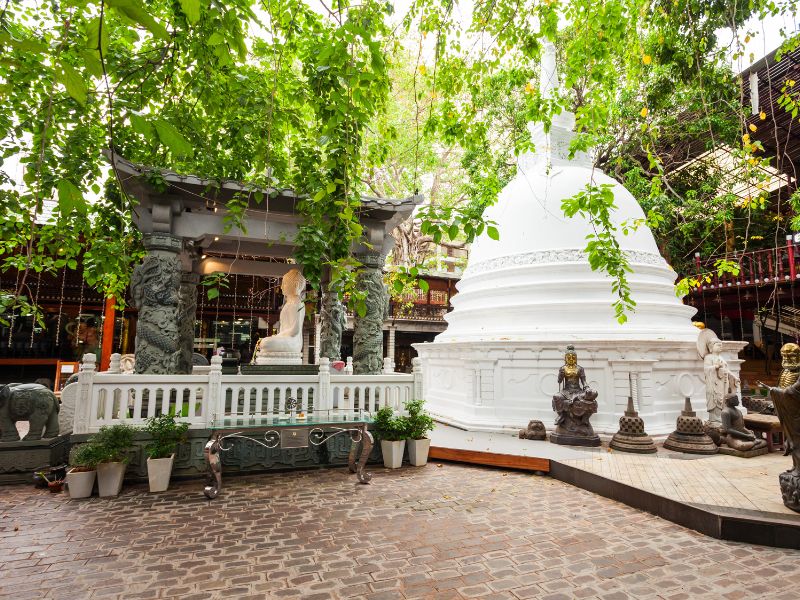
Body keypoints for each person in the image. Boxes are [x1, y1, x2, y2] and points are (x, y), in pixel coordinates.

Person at [704, 340, 739, 425]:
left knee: (724, 398)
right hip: (714, 383)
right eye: (718, 345)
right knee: (715, 398)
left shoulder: (721, 358)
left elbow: (726, 370)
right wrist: (716, 366)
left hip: (723, 383)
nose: (720, 347)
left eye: (721, 345)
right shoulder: (708, 357)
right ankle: (714, 418)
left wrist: (734, 377)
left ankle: (723, 415)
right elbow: (706, 369)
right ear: (711, 347)